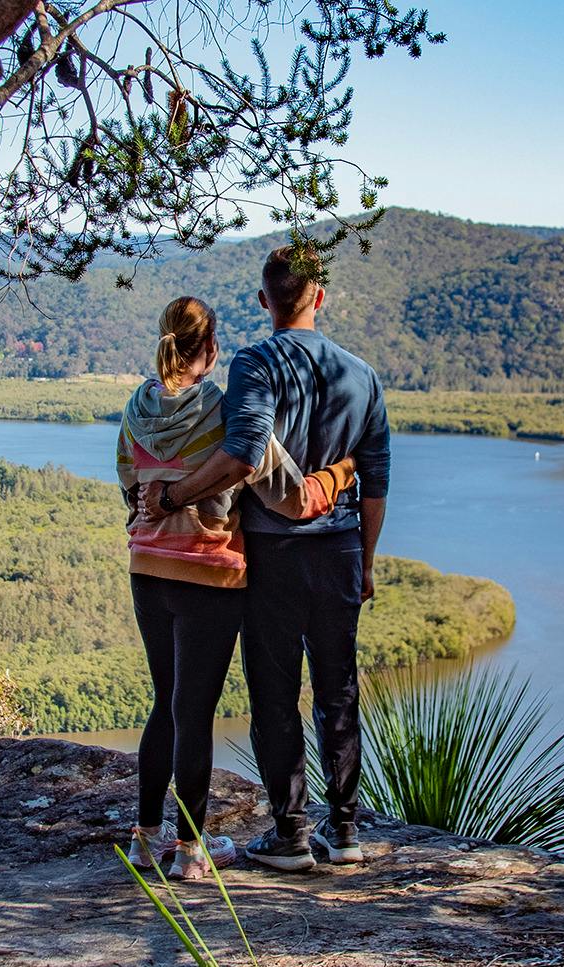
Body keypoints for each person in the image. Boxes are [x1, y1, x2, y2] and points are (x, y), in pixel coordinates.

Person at [141, 246, 390, 873]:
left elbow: (244, 453)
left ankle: (291, 835)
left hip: (273, 553)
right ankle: (348, 831)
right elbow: (378, 478)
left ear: (264, 301)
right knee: (338, 689)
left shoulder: (255, 363)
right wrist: (366, 560)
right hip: (338, 550)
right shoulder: (362, 376)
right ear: (321, 297)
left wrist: (172, 495)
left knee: (275, 693)